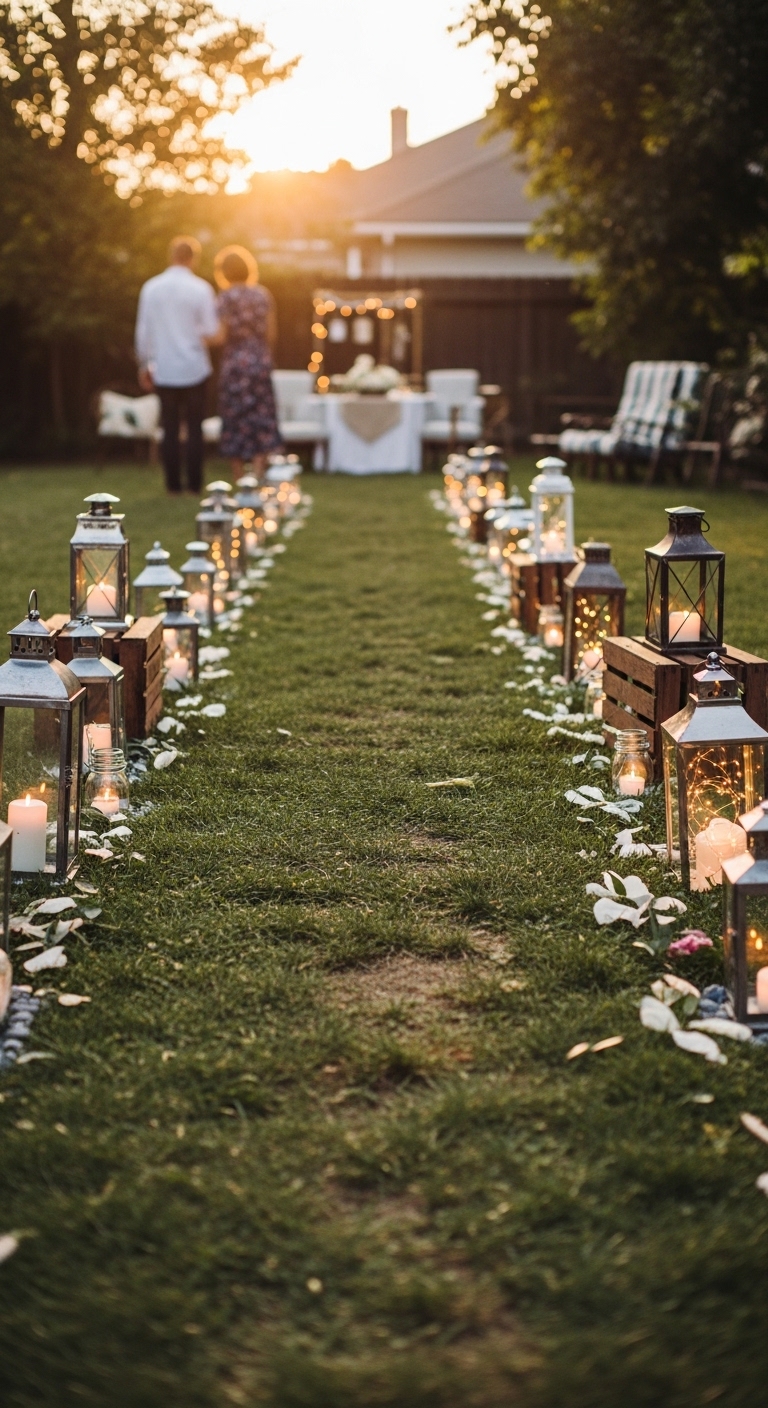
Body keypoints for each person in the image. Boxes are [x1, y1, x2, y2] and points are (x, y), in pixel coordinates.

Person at [135, 236, 219, 495]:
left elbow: (143, 332)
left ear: (171, 256)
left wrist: (144, 364)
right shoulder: (201, 289)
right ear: (193, 258)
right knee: (195, 429)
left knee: (169, 430)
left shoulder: (151, 288)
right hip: (194, 368)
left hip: (165, 369)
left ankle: (173, 486)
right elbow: (212, 329)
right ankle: (194, 485)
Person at [213, 245, 282, 478]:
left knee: (235, 416)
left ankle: (239, 476)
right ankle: (259, 471)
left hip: (234, 364)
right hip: (260, 360)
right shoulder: (263, 295)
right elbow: (272, 334)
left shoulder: (225, 298)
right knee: (260, 416)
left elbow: (221, 336)